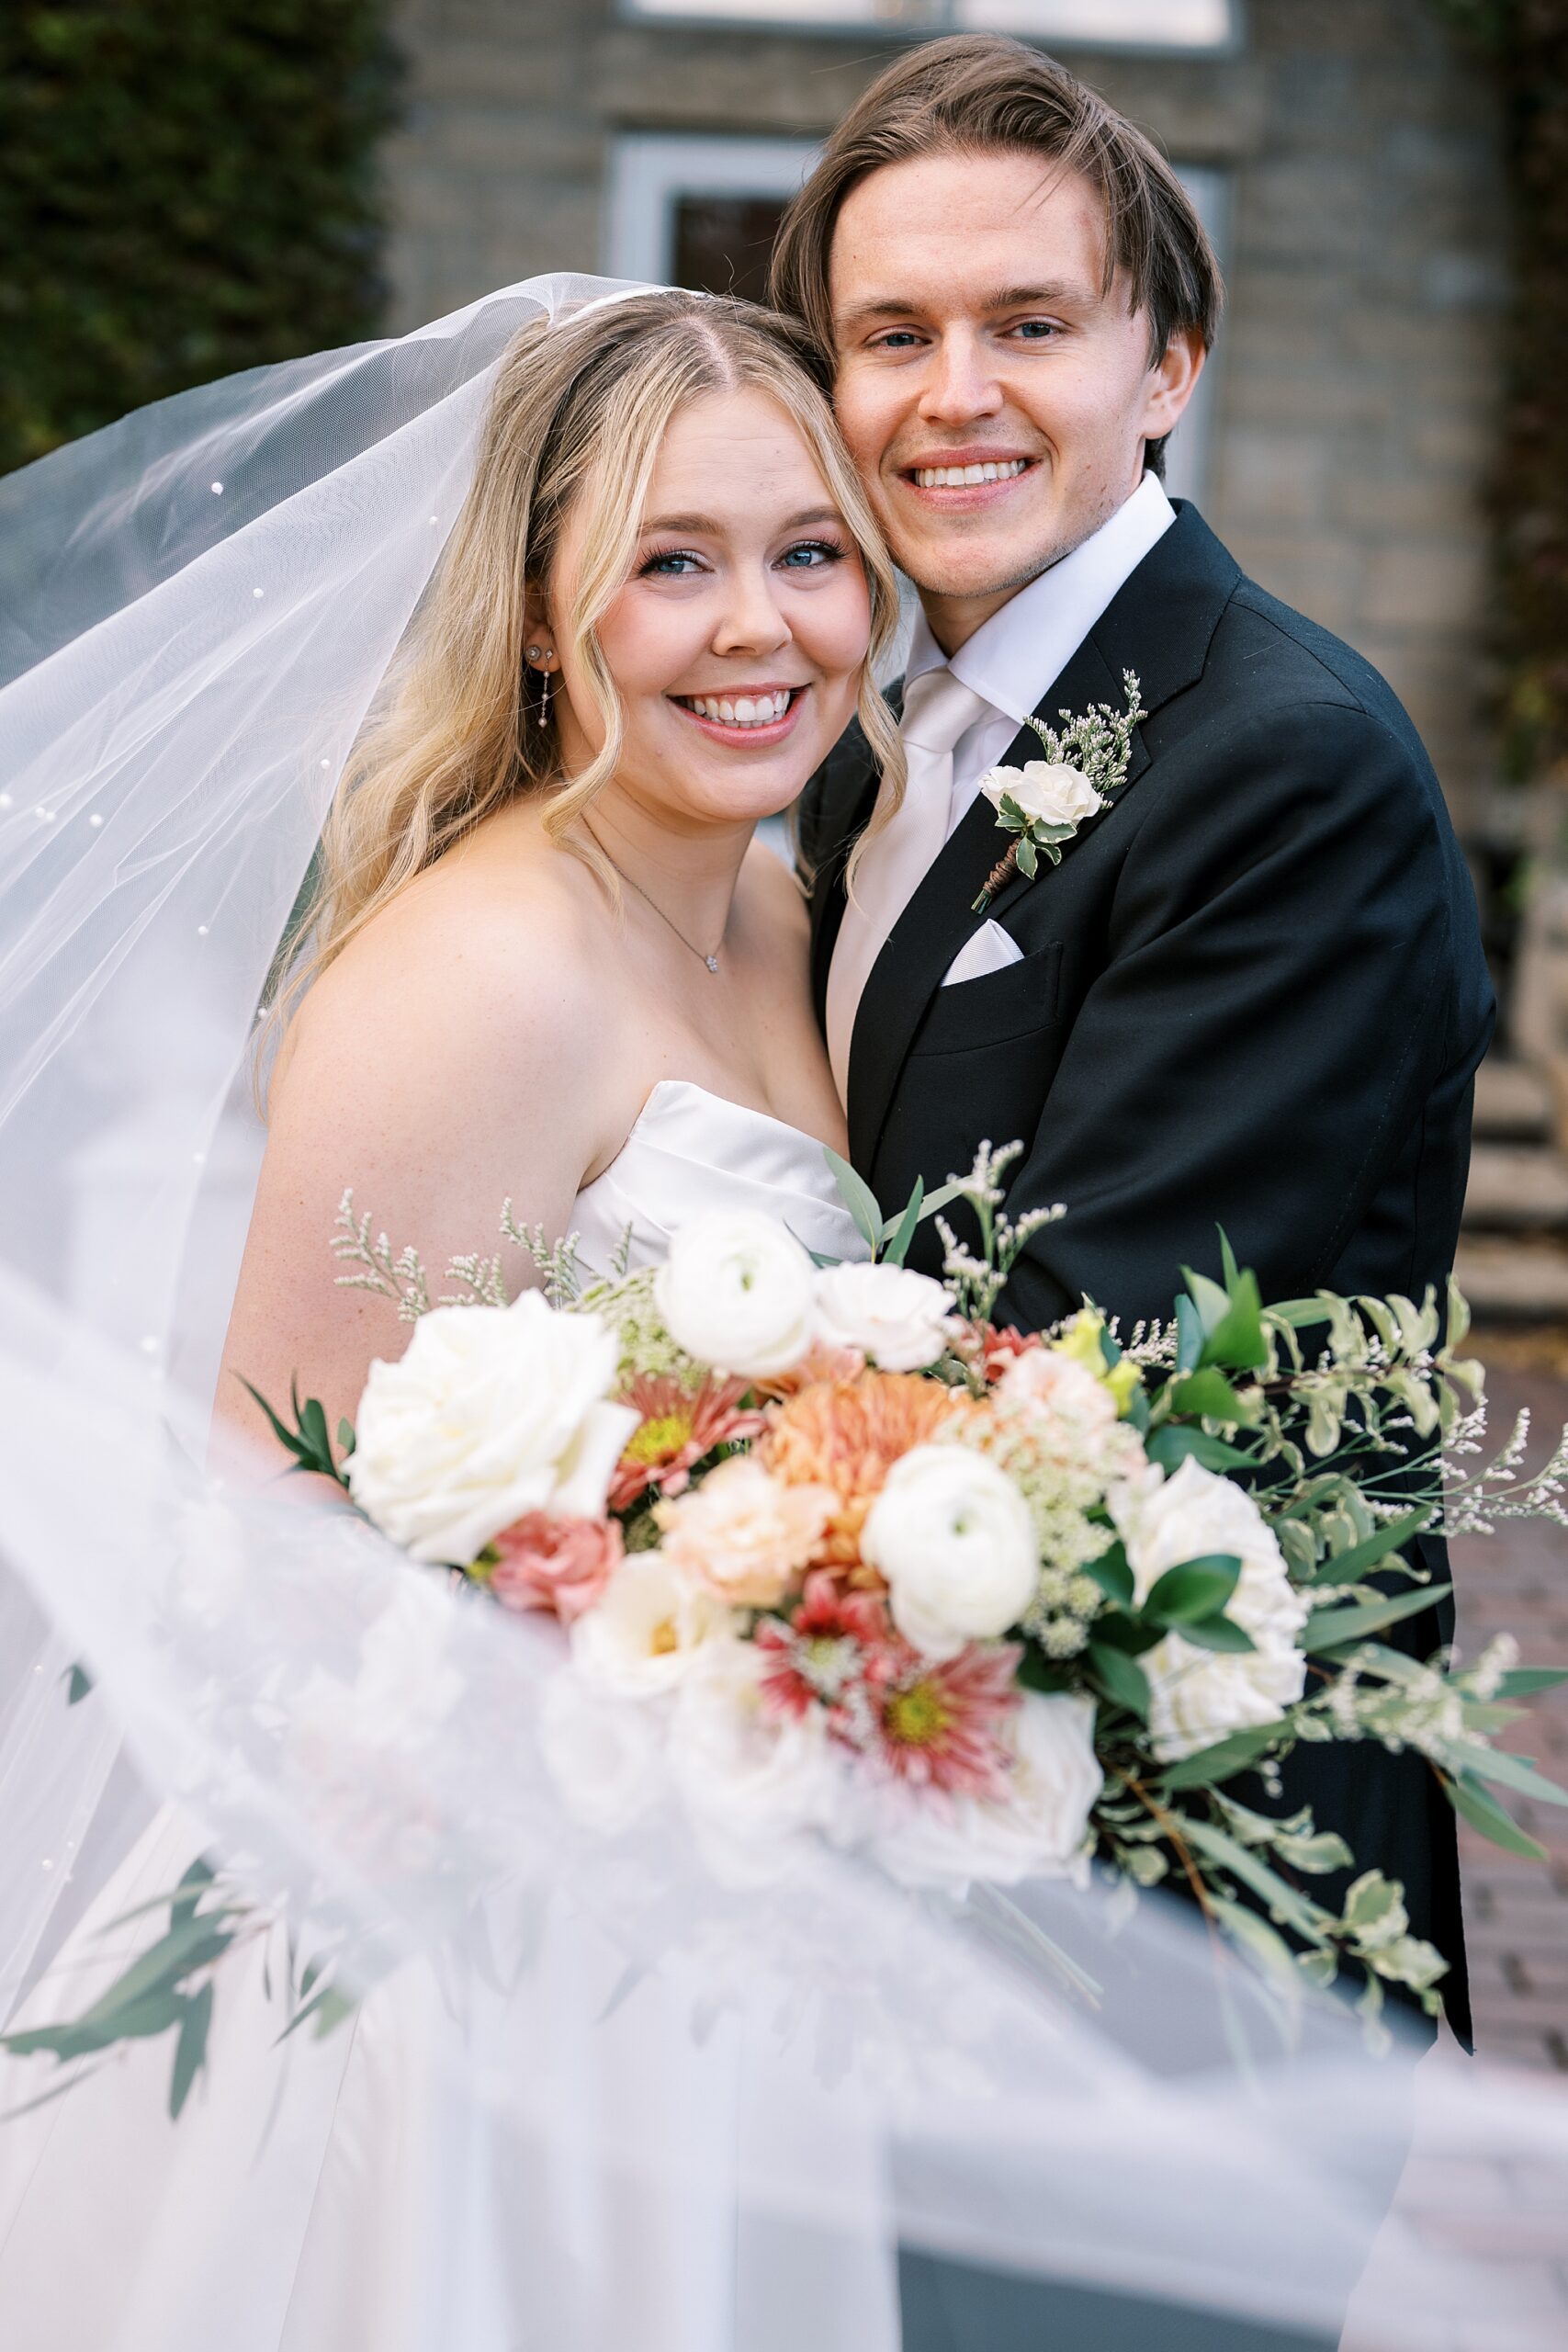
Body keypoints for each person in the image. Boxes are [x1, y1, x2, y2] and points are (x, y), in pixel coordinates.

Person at [773, 35, 1495, 2348]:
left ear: (1164, 361)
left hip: (1162, 1916)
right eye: (889, 334)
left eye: (1028, 324)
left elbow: (1089, 1370)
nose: (949, 395)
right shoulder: (868, 745)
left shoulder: (1278, 765)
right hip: (895, 1874)